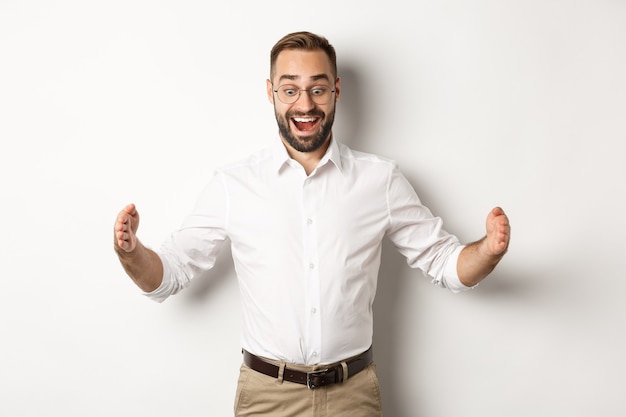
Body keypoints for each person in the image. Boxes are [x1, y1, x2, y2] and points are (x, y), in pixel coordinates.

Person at [113, 31, 510, 417]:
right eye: (290, 90)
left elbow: (444, 263)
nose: (305, 104)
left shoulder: (380, 181)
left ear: (336, 90)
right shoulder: (233, 185)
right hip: (267, 398)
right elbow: (168, 276)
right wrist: (132, 253)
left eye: (317, 89)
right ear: (270, 92)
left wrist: (488, 251)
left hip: (353, 397)